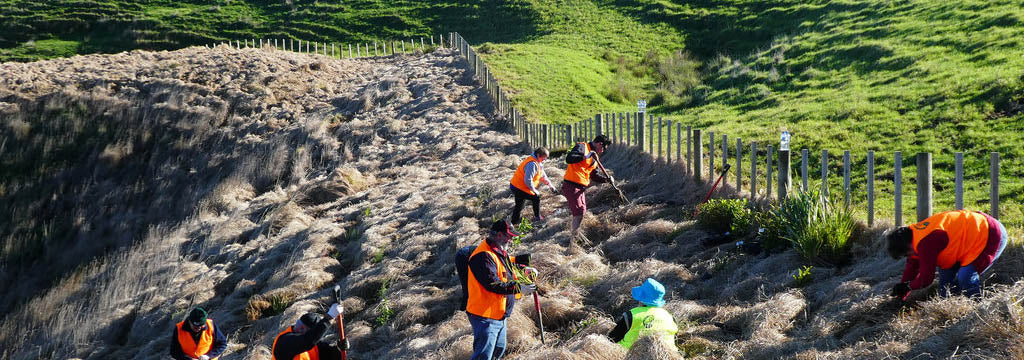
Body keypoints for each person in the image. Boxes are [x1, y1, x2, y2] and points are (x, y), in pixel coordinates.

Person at [887, 209, 1007, 299]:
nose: (909, 256)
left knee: (965, 277)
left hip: (990, 233)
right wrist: (900, 295)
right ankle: (956, 310)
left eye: (907, 253)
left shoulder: (927, 243)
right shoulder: (912, 238)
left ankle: (976, 313)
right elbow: (911, 269)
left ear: (907, 245)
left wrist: (908, 286)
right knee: (945, 291)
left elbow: (926, 279)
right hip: (965, 240)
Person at [465, 220, 538, 360]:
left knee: (498, 350)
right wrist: (519, 288)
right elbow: (493, 284)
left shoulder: (497, 250)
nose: (511, 240)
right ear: (499, 235)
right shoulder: (483, 256)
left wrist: (524, 269)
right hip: (485, 316)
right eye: (509, 236)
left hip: (499, 314)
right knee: (483, 355)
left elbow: (505, 269)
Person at [562, 135, 612, 239]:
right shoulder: (582, 147)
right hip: (571, 185)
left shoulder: (595, 158)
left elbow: (594, 176)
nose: (602, 151)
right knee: (579, 212)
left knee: (582, 211)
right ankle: (573, 239)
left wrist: (606, 180)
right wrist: (586, 156)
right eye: (603, 148)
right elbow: (569, 159)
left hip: (580, 188)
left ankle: (575, 236)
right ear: (599, 144)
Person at [608, 278, 679, 350]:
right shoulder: (670, 318)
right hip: (667, 356)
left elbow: (612, 338)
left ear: (641, 298)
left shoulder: (631, 315)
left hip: (630, 355)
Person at [272, 305, 344, 360]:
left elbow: (328, 356)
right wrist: (329, 318)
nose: (299, 329)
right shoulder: (284, 341)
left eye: (304, 328)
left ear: (310, 332)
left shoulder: (314, 343)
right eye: (299, 324)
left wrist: (339, 349)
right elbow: (306, 341)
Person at [509, 147, 557, 225]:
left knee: (519, 205)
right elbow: (528, 180)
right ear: (538, 155)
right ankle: (537, 217)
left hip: (516, 185)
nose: (544, 160)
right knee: (536, 197)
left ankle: (513, 223)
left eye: (545, 158)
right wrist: (534, 190)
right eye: (543, 158)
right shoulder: (532, 164)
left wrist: (550, 185)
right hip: (519, 187)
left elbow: (542, 175)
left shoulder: (538, 162)